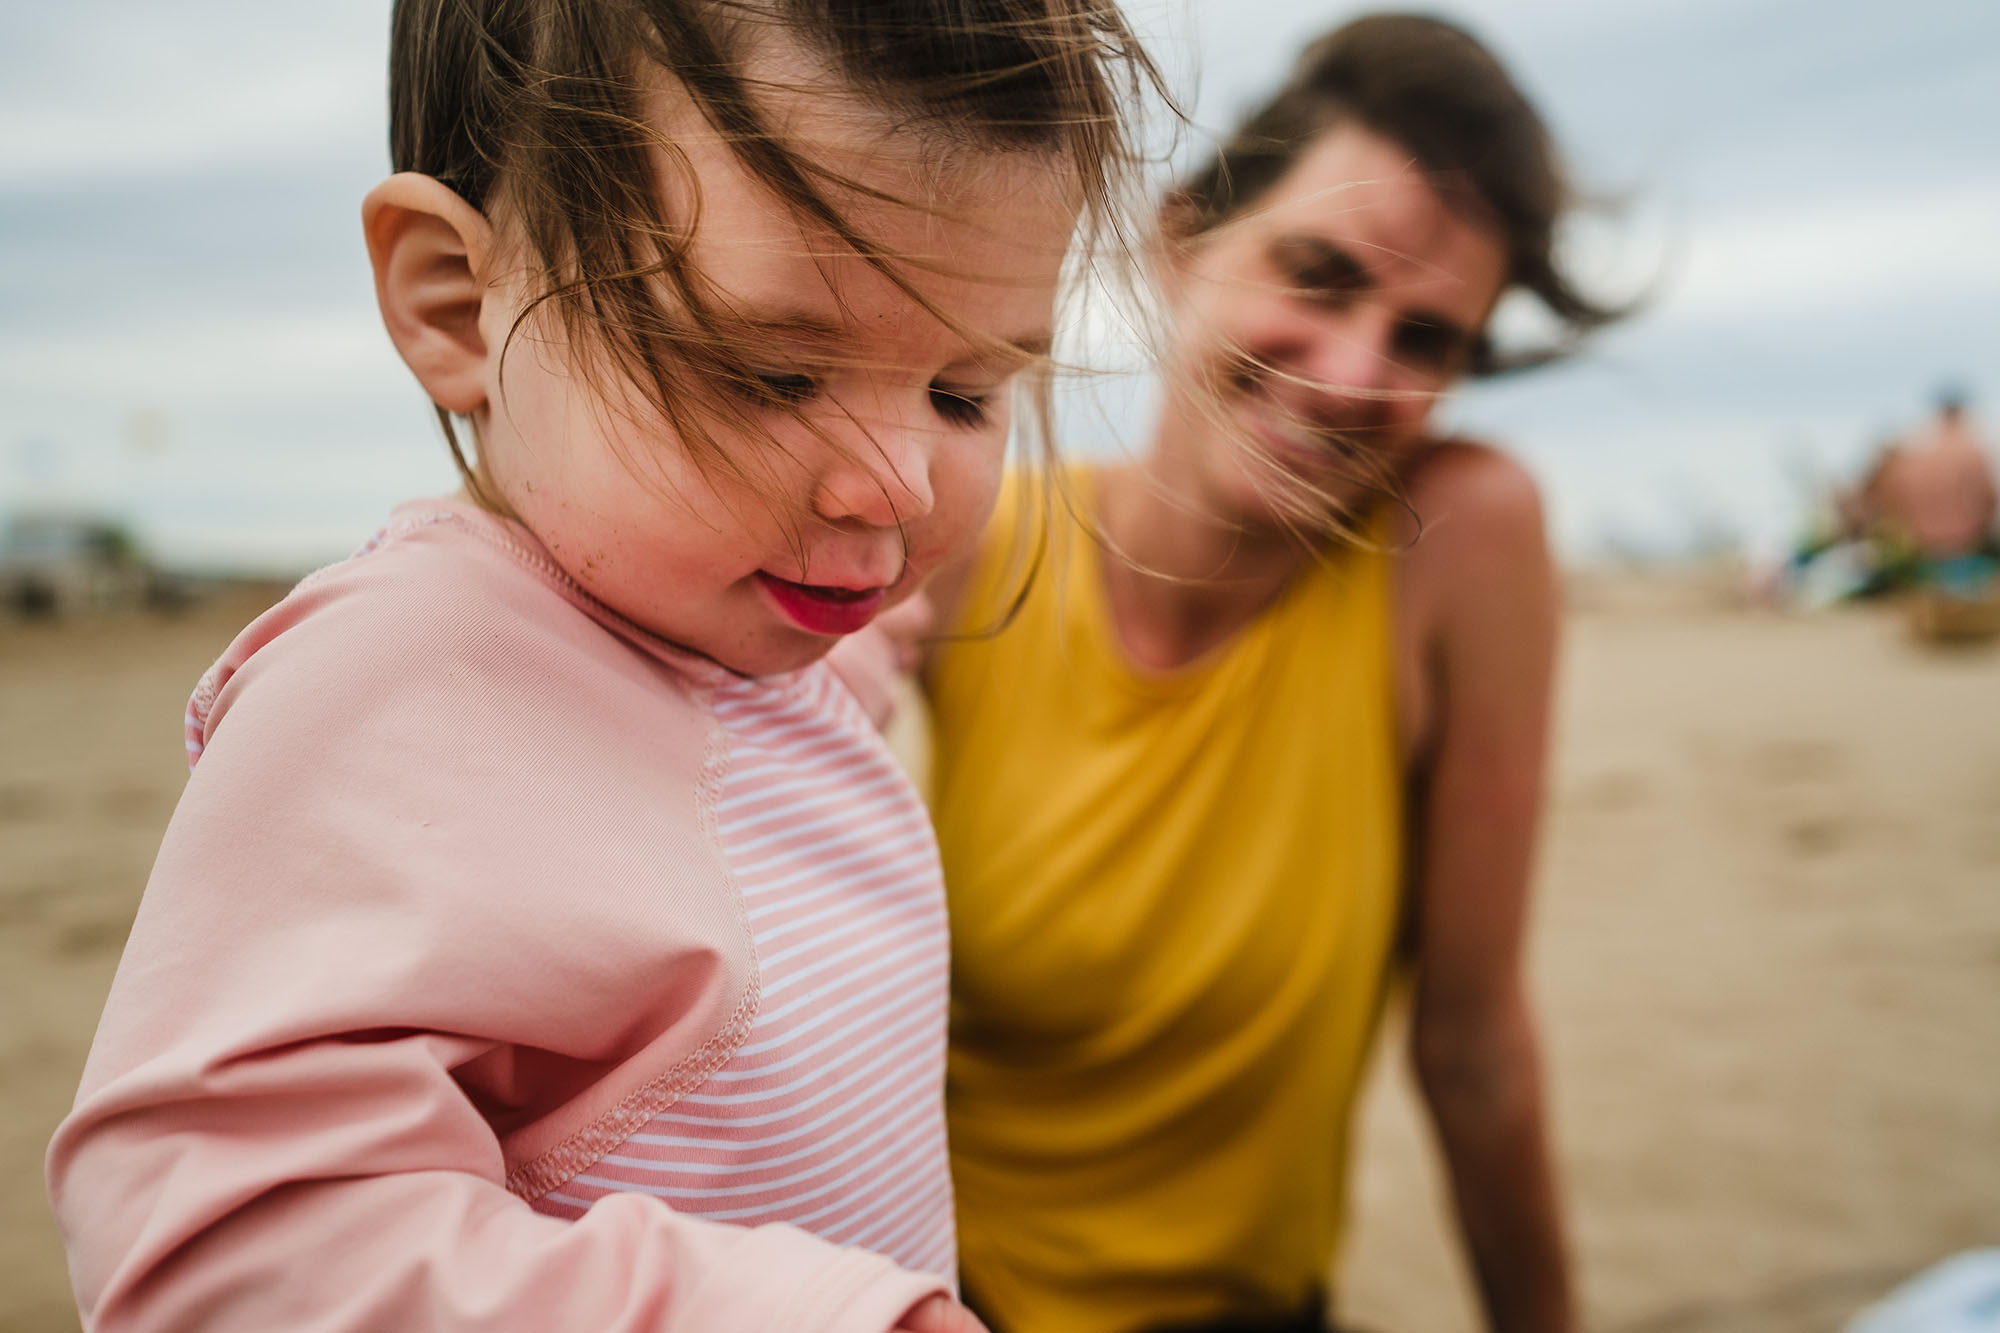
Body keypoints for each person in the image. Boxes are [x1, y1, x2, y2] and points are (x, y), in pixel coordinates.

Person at [45, 2, 1159, 1329]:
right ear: (459, 300)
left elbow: (758, 744)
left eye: (967, 393)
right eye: (774, 374)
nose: (897, 486)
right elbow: (221, 1245)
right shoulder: (402, 682)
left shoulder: (748, 643)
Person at [920, 15, 1622, 1332]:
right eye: (1319, 272)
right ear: (1181, 239)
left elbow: (1471, 1046)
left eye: (1428, 338)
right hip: (942, 1298)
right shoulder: (977, 551)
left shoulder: (1453, 546)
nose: (1358, 371)